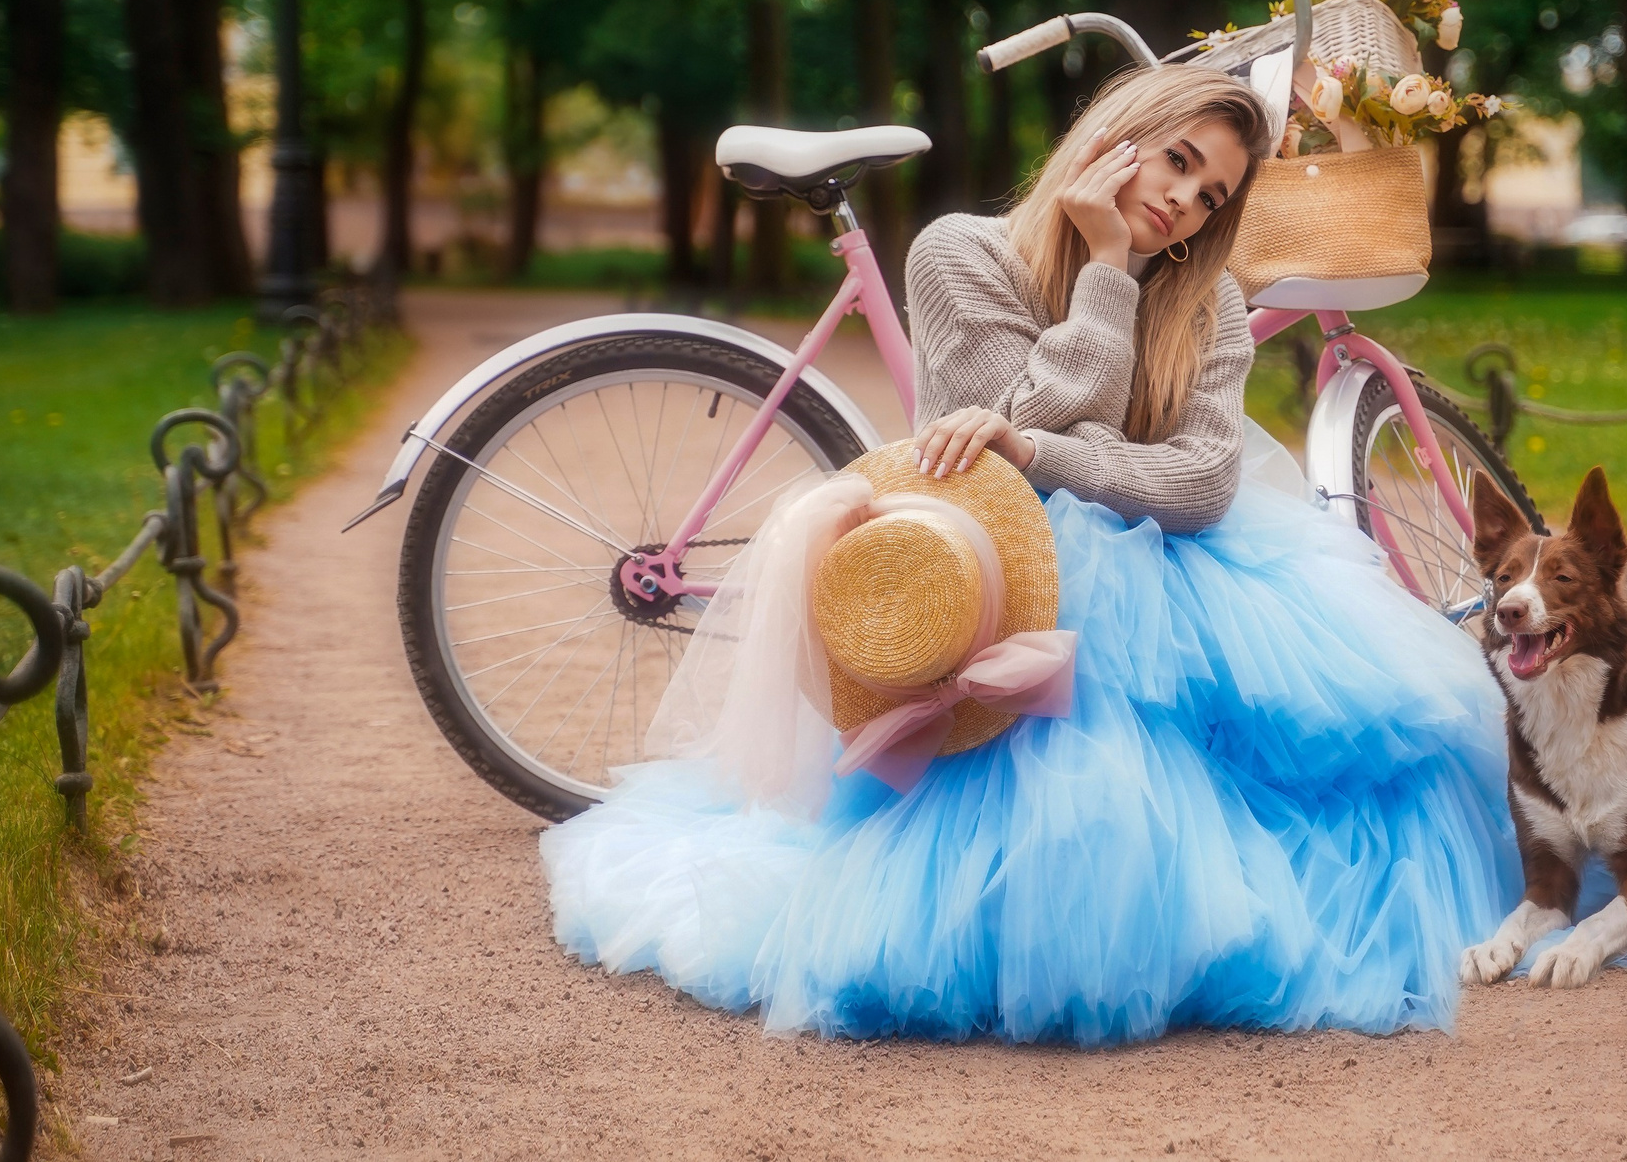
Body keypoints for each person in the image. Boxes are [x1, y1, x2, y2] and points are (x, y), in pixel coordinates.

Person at [539, 66, 1518, 1043]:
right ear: (1119, 132)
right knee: (1060, 819)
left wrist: (1053, 448)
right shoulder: (960, 254)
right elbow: (998, 446)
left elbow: (1192, 481)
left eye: (1210, 193)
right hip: (992, 572)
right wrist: (1103, 267)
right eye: (1176, 161)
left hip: (1165, 576)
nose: (1182, 202)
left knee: (1376, 769)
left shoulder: (1208, 300)